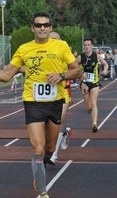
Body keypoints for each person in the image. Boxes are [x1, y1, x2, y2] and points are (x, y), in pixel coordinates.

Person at [0, 11, 82, 198]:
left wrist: (61, 75)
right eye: (38, 25)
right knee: (38, 147)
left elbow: (78, 71)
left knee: (49, 147)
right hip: (32, 102)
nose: (42, 28)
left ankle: (41, 168)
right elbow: (5, 75)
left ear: (50, 27)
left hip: (55, 101)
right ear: (33, 28)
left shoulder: (61, 46)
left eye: (45, 25)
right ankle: (44, 196)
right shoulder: (24, 49)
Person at [48, 32, 73, 165]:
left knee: (56, 123)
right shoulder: (43, 55)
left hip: (63, 92)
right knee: (49, 125)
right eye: (50, 39)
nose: (52, 41)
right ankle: (65, 132)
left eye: (55, 39)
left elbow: (76, 70)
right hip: (47, 95)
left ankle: (54, 155)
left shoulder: (65, 54)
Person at [76, 38, 108, 132]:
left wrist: (105, 70)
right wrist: (81, 74)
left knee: (94, 102)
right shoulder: (80, 57)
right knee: (89, 106)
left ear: (92, 46)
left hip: (94, 83)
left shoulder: (97, 56)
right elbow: (73, 66)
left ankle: (94, 124)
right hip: (84, 84)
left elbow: (105, 64)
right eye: (85, 45)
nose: (86, 47)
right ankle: (89, 108)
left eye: (88, 45)